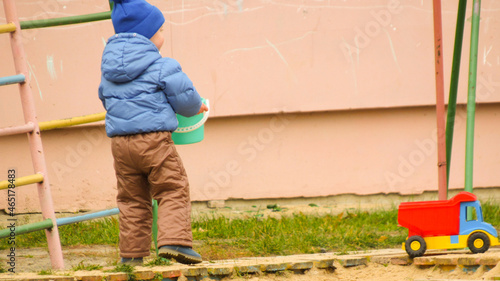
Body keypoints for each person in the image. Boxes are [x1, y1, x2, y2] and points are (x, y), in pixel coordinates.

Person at [98, 0, 208, 265]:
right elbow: (186, 100)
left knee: (132, 198)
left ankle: (131, 255)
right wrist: (198, 107)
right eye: (160, 30)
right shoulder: (163, 66)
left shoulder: (108, 71)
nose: (163, 35)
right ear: (146, 34)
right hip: (154, 141)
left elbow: (105, 98)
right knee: (172, 187)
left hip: (121, 146)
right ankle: (174, 242)